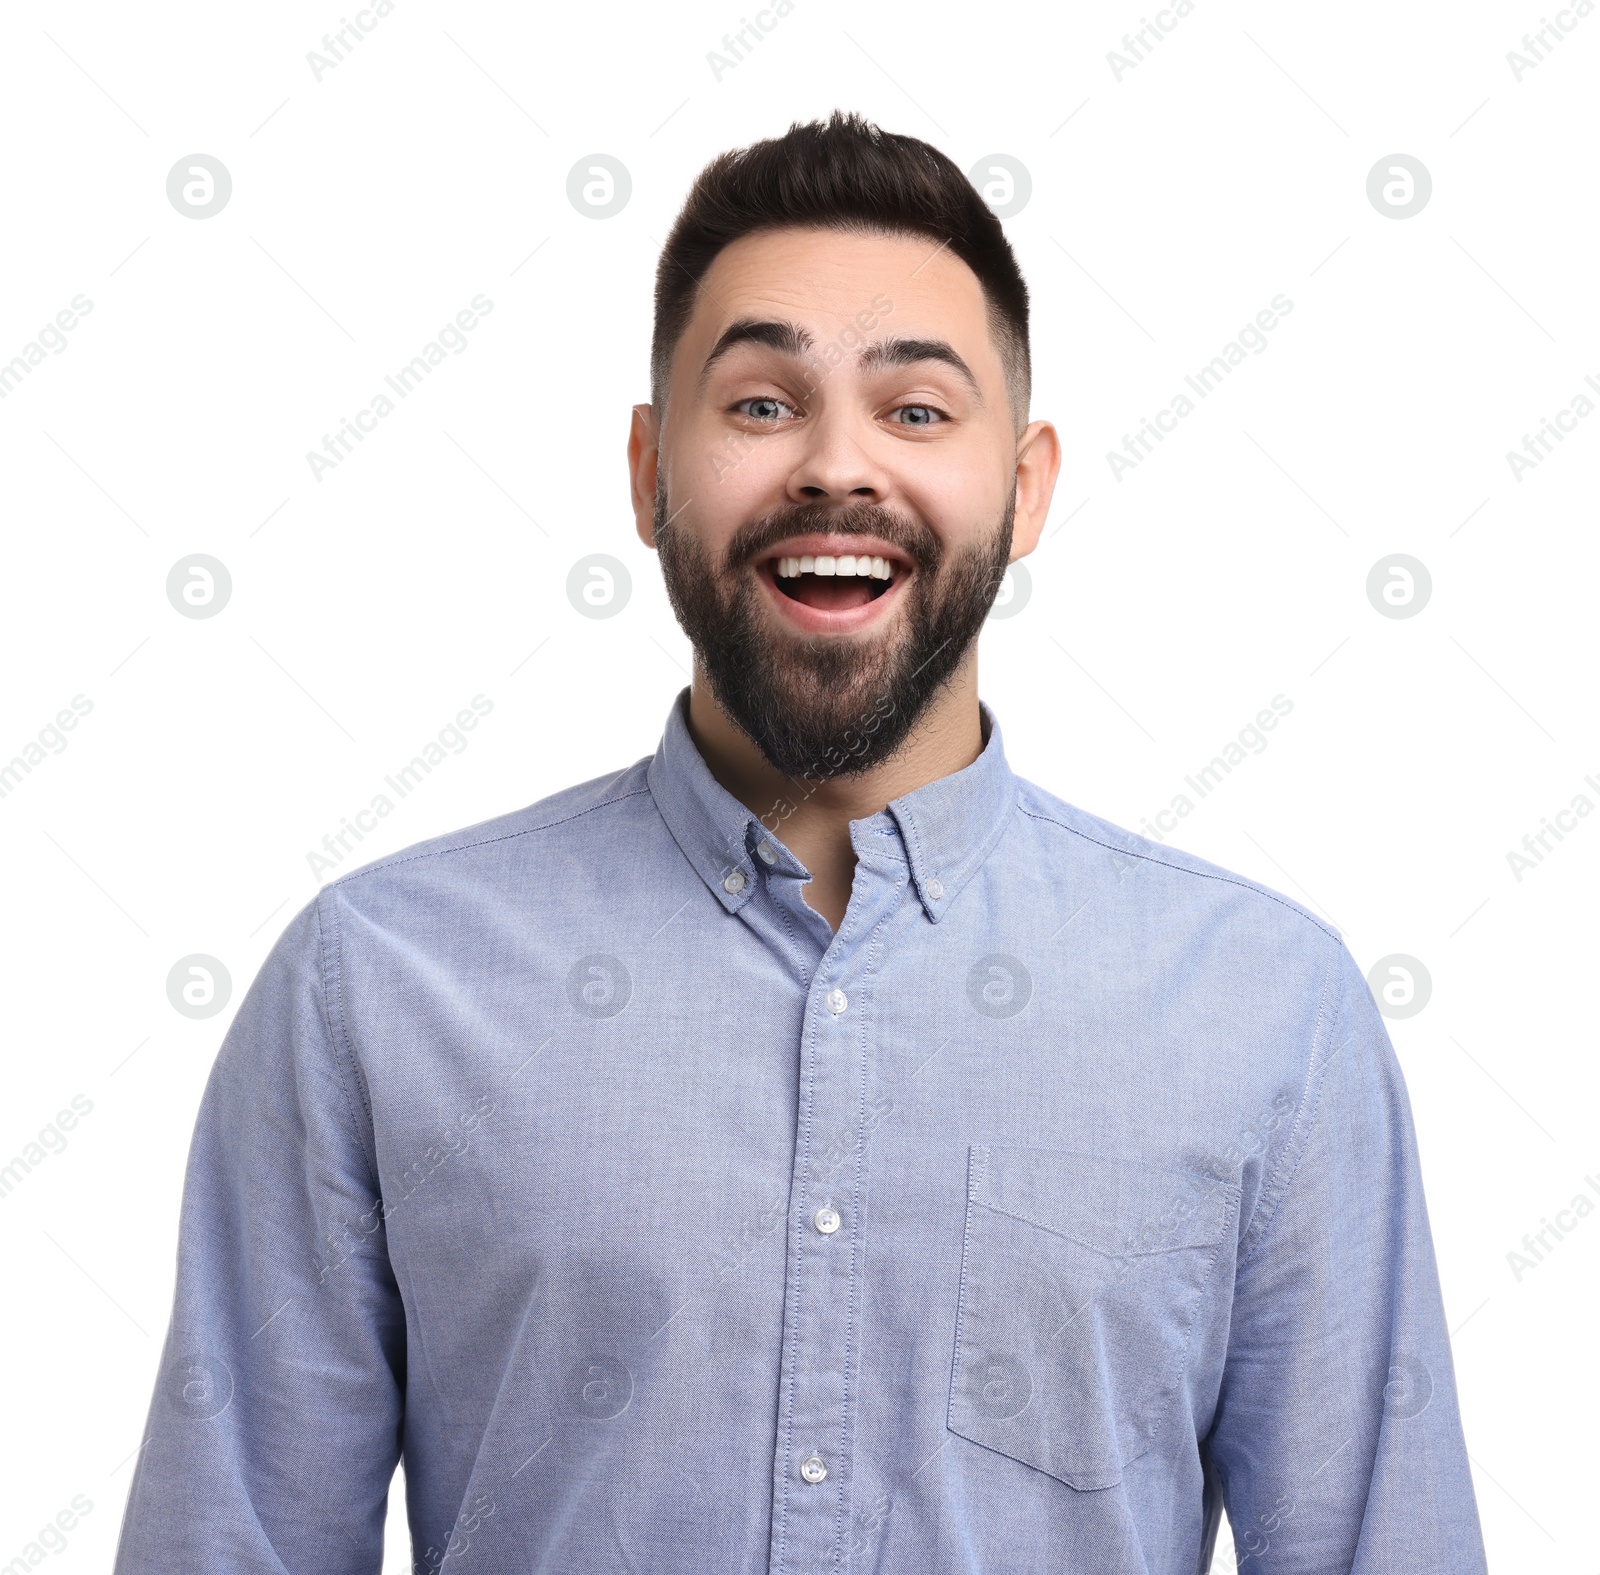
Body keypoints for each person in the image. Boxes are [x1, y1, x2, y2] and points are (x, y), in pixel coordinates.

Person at [114, 111, 1487, 1574]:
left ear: (1024, 488)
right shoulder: (376, 986)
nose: (838, 468)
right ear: (648, 473)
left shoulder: (1266, 1013)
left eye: (915, 411)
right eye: (763, 404)